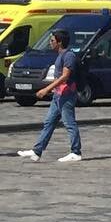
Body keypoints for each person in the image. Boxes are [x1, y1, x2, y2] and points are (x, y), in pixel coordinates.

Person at [15, 29, 84, 164]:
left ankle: (76, 152)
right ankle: (37, 151)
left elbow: (65, 76)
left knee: (69, 123)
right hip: (58, 95)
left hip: (67, 95)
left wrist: (46, 89)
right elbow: (58, 76)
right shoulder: (60, 55)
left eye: (52, 41)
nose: (50, 43)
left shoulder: (68, 55)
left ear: (60, 42)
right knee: (49, 122)